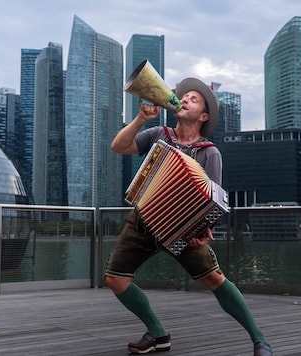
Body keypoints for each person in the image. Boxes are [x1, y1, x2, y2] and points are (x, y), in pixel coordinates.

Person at [105, 77, 273, 356]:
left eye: (194, 99)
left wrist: (205, 226)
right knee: (115, 279)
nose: (184, 100)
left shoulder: (210, 153)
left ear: (204, 116)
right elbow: (119, 146)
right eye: (184, 97)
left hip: (183, 230)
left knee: (215, 279)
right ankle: (157, 333)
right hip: (144, 221)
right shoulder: (159, 134)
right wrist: (139, 119)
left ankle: (260, 339)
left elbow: (214, 198)